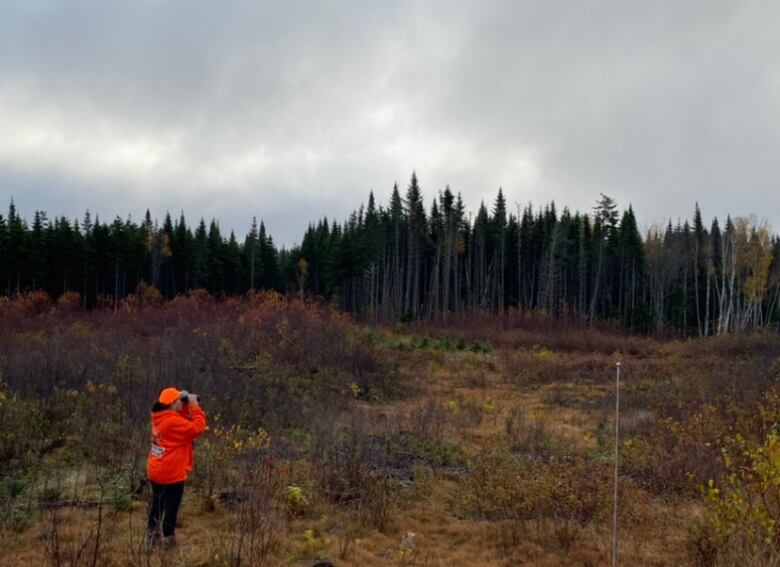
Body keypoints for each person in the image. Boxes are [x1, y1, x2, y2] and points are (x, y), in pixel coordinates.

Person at [146, 387, 206, 547]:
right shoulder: (172, 422)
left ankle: (152, 537)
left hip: (156, 470)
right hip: (171, 473)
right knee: (171, 506)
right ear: (172, 404)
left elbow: (179, 416)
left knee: (157, 504)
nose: (183, 401)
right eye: (180, 399)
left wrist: (184, 401)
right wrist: (194, 406)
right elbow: (197, 428)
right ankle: (169, 539)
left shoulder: (159, 417)